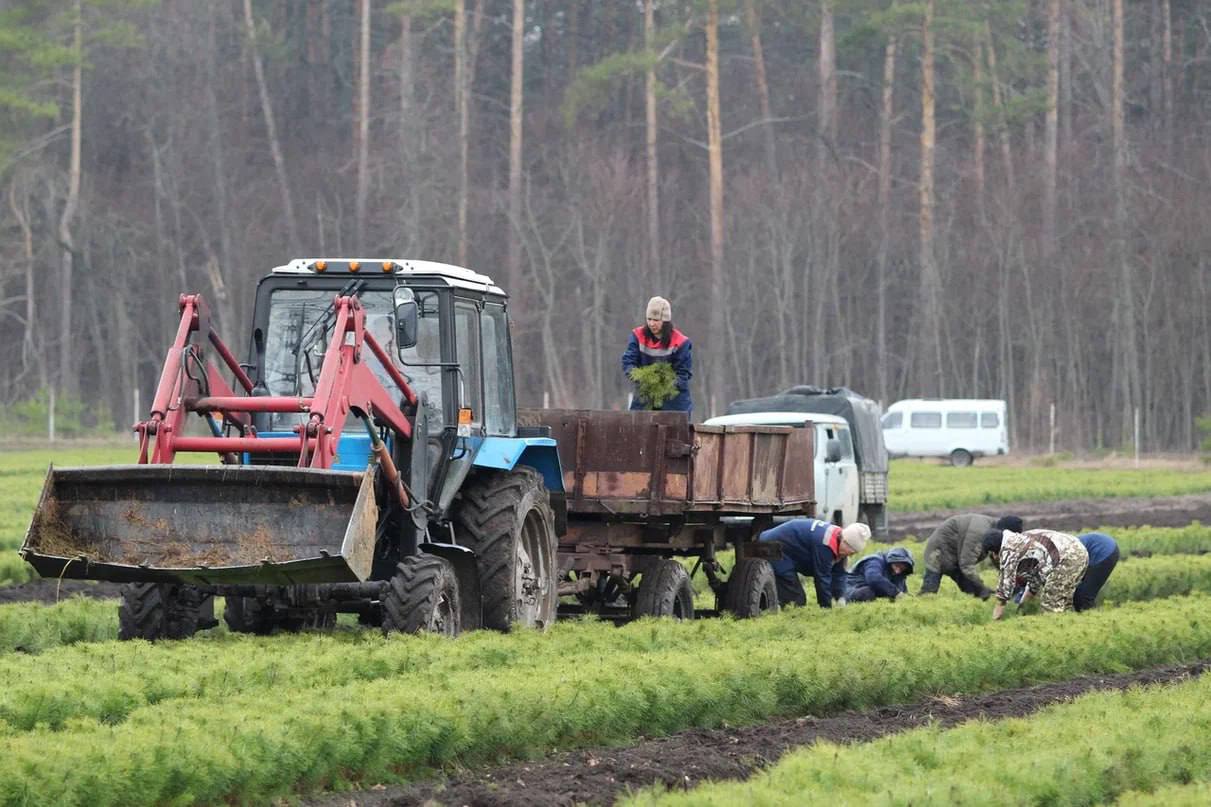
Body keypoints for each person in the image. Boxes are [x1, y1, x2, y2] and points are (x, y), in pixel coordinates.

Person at [757, 518, 870, 608]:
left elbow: (839, 573)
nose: (850, 555)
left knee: (796, 598)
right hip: (773, 547)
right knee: (796, 600)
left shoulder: (839, 538)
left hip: (790, 552)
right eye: (851, 551)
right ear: (845, 542)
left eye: (854, 553)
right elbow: (822, 578)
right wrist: (826, 608)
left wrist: (840, 597)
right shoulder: (825, 544)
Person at [984, 527, 1089, 619]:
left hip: (1067, 557)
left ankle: (1054, 637)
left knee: (1051, 606)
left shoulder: (1009, 552)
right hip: (1077, 550)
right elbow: (1034, 580)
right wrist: (1021, 608)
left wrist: (994, 621)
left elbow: (1004, 593)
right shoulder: (1019, 540)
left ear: (994, 552)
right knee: (1063, 603)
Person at [919, 514, 1024, 599]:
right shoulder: (980, 533)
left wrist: (1013, 580)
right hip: (939, 550)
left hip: (957, 554)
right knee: (929, 591)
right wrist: (981, 586)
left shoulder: (995, 534)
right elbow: (966, 564)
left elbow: (999, 560)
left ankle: (981, 603)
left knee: (974, 591)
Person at [621, 296, 693, 413]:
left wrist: (663, 386)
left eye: (656, 320)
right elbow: (628, 362)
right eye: (649, 319)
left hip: (674, 401)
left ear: (665, 321)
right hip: (645, 395)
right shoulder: (638, 335)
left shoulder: (681, 342)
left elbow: (683, 374)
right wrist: (642, 378)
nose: (651, 324)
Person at [844, 547, 915, 603]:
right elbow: (873, 579)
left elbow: (902, 592)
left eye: (901, 569)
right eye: (897, 566)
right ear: (891, 560)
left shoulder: (899, 573)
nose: (897, 571)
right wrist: (896, 593)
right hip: (851, 590)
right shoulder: (874, 561)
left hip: (873, 592)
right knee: (867, 592)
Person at [1073, 531, 1120, 611]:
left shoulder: (1068, 552)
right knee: (1079, 594)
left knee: (1083, 596)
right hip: (1104, 547)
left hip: (1104, 552)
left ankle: (1091, 620)